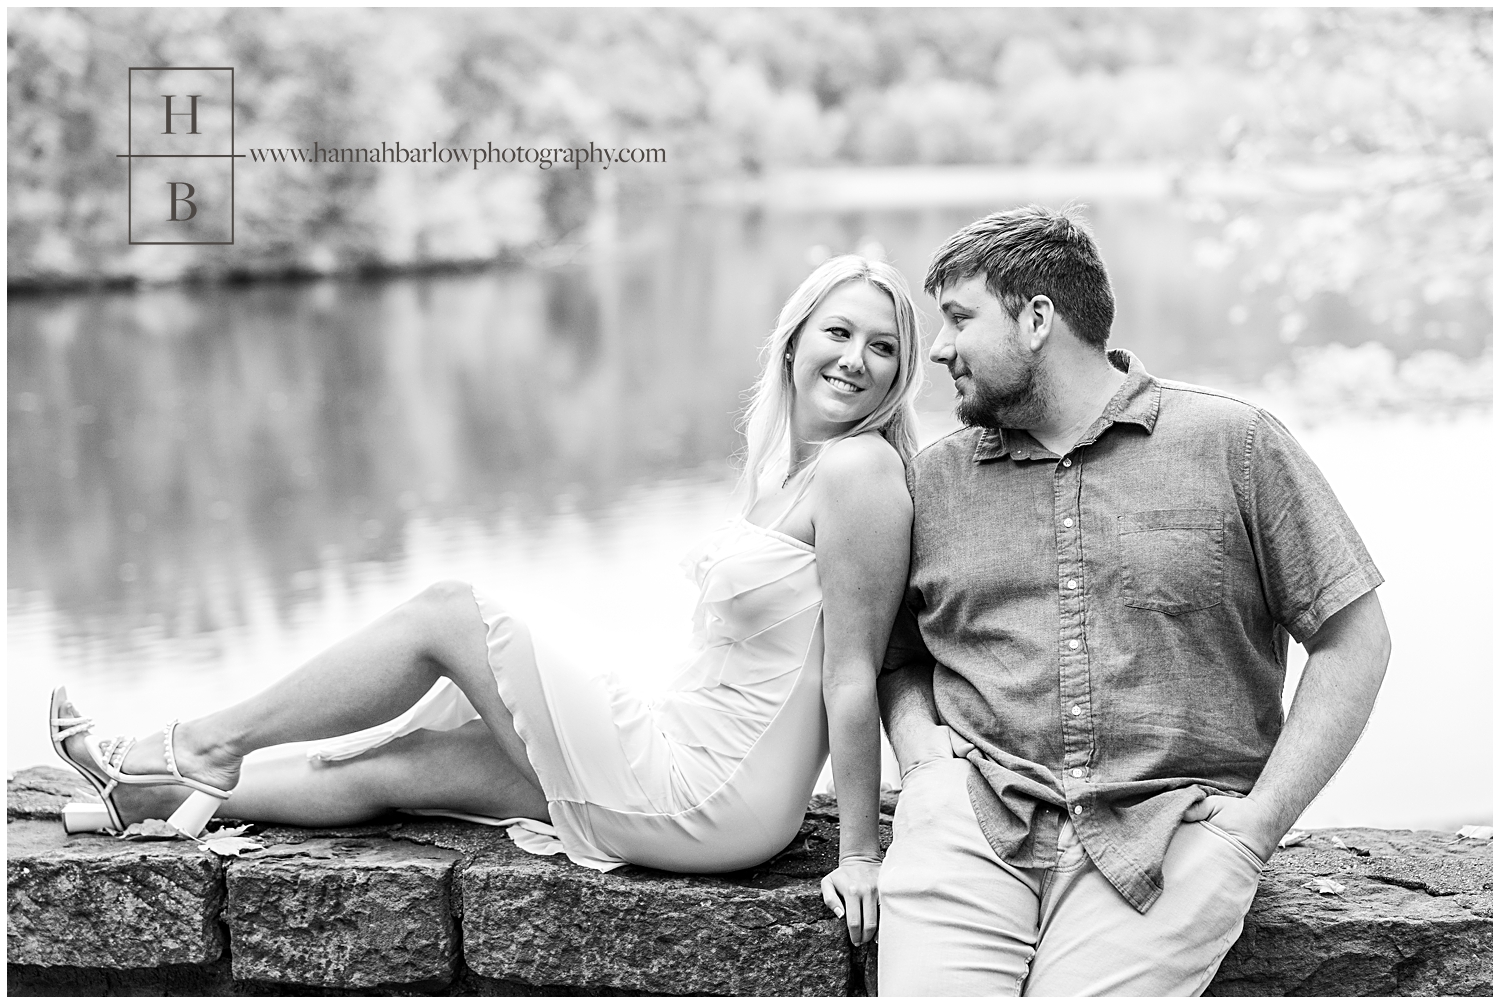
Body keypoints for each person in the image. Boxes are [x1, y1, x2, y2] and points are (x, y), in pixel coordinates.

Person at [49, 253, 922, 947]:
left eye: (882, 347)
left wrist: (858, 855)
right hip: (680, 743)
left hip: (713, 795)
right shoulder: (789, 476)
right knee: (414, 759)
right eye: (839, 331)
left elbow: (852, 675)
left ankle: (201, 744)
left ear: (899, 374)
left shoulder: (859, 471)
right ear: (793, 338)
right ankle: (153, 798)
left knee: (448, 614)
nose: (856, 360)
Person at [875, 205, 1391, 995]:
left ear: (1038, 319)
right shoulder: (931, 481)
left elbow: (1355, 639)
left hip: (1173, 840)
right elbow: (896, 656)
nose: (937, 348)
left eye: (957, 318)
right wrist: (921, 761)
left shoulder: (1236, 446)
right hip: (970, 824)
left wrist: (1258, 826)